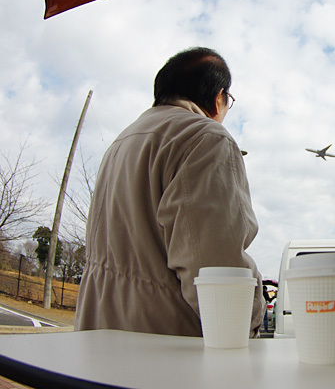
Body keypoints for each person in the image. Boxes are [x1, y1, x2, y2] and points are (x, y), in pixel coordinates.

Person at [74, 47, 266, 337]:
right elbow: (214, 268)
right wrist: (250, 321)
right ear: (219, 98)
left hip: (100, 335)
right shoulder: (206, 138)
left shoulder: (123, 141)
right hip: (165, 348)